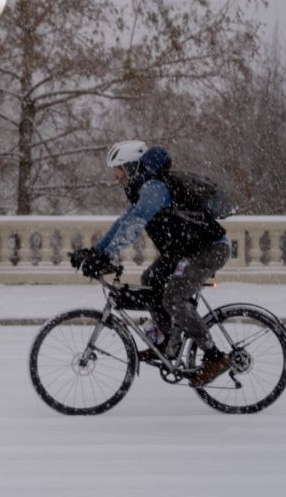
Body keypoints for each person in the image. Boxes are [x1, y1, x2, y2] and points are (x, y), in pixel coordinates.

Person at [70, 140, 232, 387]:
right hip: (183, 251)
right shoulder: (142, 189)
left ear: (134, 167)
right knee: (150, 281)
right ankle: (168, 341)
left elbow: (136, 222)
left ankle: (214, 357)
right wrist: (96, 251)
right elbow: (123, 222)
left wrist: (107, 257)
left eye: (119, 169)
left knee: (174, 298)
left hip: (208, 249)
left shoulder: (155, 188)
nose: (116, 176)